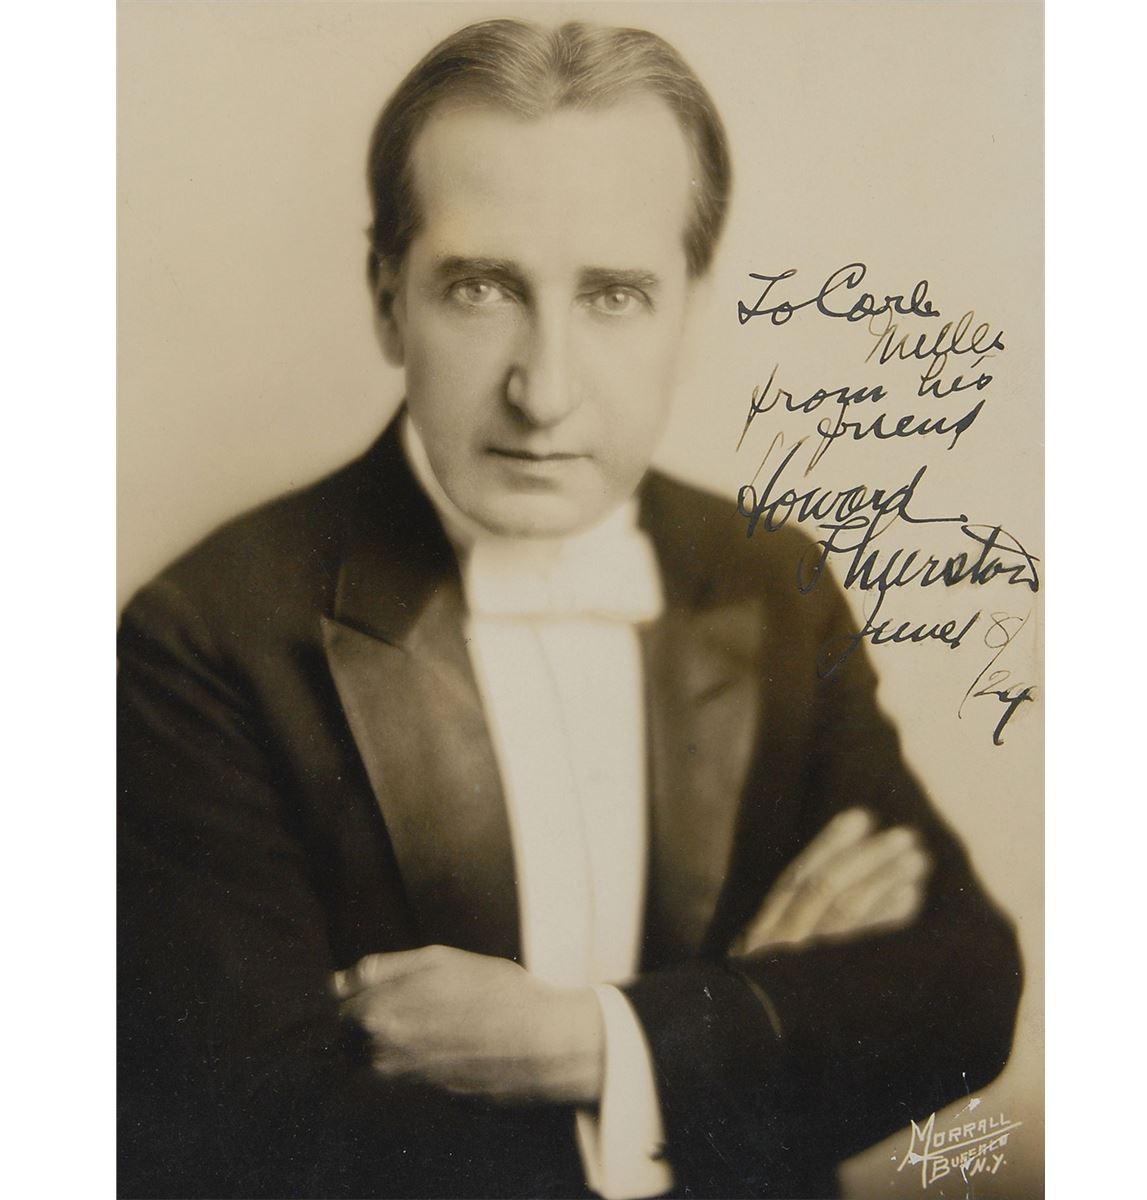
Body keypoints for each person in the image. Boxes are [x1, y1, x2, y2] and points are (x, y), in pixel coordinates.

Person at [117, 18, 1022, 1200]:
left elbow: (963, 989)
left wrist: (588, 1043)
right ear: (388, 299)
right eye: (480, 288)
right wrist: (737, 1034)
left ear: (691, 310)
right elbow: (252, 1142)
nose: (543, 392)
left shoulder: (767, 579)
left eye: (613, 296)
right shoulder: (203, 640)